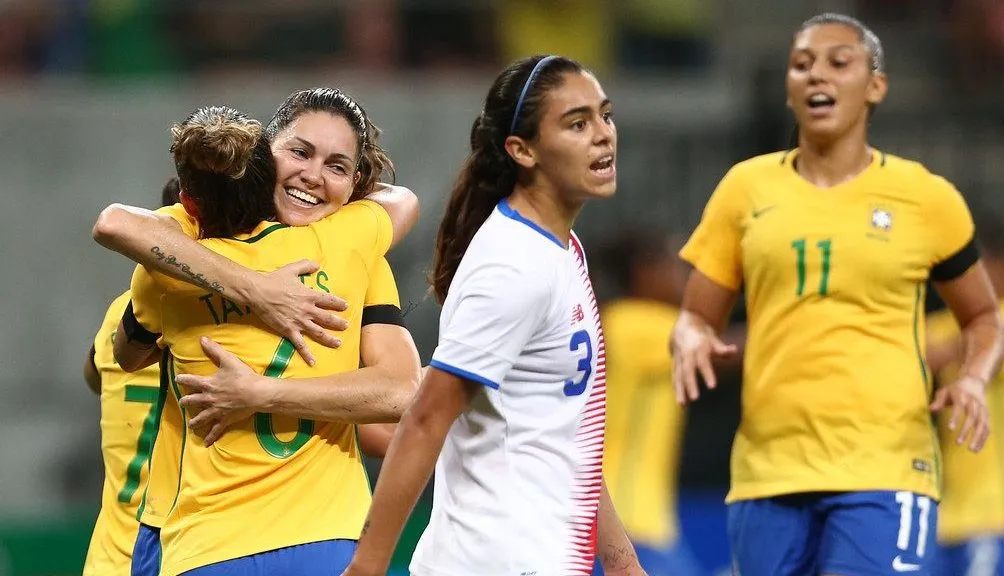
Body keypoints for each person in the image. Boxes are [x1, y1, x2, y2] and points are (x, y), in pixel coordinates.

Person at [670, 13, 1004, 576]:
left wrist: (972, 376)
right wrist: (690, 337)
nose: (814, 75)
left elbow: (984, 319)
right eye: (801, 65)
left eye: (837, 62)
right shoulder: (745, 190)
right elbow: (695, 316)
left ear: (875, 85)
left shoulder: (925, 198)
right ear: (788, 89)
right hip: (768, 473)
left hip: (886, 469)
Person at [91, 88, 422, 576]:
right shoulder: (197, 231)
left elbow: (124, 353)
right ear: (266, 152)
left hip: (220, 538)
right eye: (300, 152)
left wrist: (260, 393)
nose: (312, 175)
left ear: (355, 184)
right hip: (191, 529)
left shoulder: (354, 244)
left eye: (336, 166)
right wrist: (258, 291)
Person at [341, 54, 644, 576]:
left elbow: (565, 432)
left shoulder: (560, 248)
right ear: (522, 149)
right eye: (577, 123)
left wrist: (620, 560)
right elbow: (425, 418)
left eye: (605, 115)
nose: (603, 135)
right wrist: (367, 567)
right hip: (496, 559)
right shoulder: (513, 264)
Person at [591, 229, 705, 576]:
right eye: (676, 266)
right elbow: (727, 351)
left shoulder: (615, 320)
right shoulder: (636, 323)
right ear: (644, 271)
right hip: (630, 523)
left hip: (625, 520)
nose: (685, 279)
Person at [80, 178, 178, 576]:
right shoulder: (221, 317)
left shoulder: (122, 311)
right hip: (176, 558)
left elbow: (94, 375)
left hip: (108, 562)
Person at [928, 213, 1004, 576]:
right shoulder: (958, 325)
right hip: (955, 518)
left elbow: (925, 352)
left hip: (1001, 515)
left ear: (1002, 267)